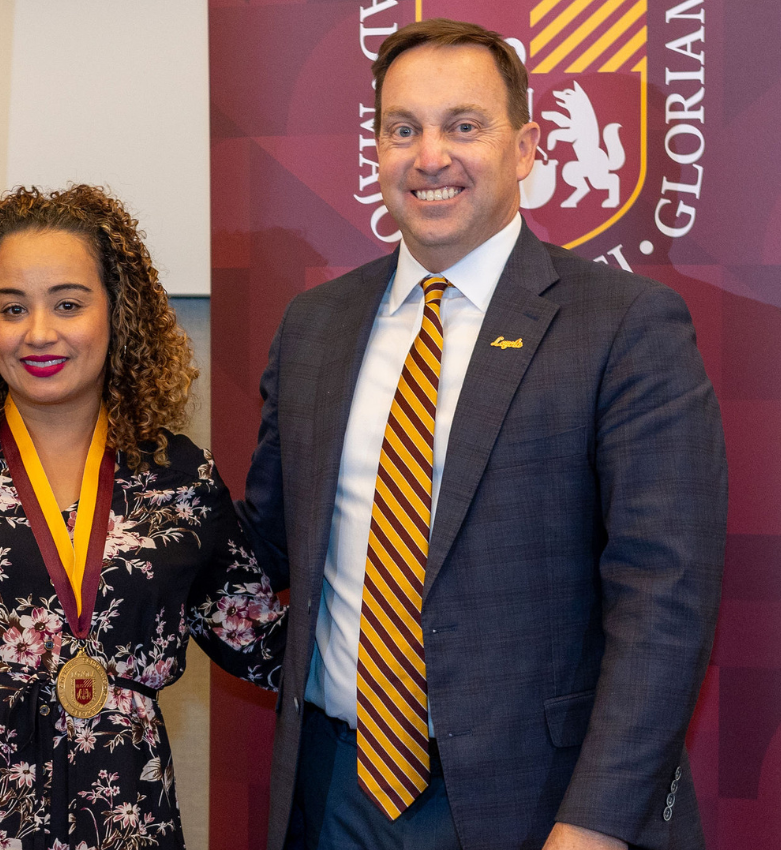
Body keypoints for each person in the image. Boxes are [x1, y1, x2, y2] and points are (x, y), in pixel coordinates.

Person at [239, 19, 726, 850]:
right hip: (335, 791)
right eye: (403, 130)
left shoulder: (625, 325)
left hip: (535, 806)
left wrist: (596, 825)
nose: (430, 156)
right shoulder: (316, 326)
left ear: (527, 146)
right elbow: (261, 551)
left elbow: (666, 600)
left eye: (463, 126)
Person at [0, 185, 286, 850]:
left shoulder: (177, 478)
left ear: (118, 312)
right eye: (12, 308)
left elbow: (263, 641)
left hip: (119, 823)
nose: (38, 332)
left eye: (67, 303)